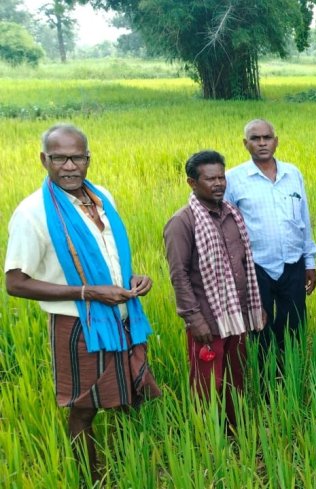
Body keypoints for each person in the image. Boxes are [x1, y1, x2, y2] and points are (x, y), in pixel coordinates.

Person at [4, 124, 161, 482]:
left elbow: (110, 257)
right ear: (44, 159)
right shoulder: (32, 214)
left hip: (120, 316)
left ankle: (126, 467)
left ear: (88, 158)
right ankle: (90, 478)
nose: (69, 166)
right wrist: (88, 292)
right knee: (84, 408)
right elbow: (15, 283)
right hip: (78, 325)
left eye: (76, 157)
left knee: (126, 398)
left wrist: (133, 280)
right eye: (59, 158)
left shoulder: (102, 197)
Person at [163, 150, 265, 427]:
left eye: (222, 177)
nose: (219, 184)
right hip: (207, 319)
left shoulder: (232, 214)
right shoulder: (182, 222)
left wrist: (256, 308)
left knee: (236, 377)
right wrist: (194, 319)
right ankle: (208, 439)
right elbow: (179, 275)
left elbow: (245, 265)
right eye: (210, 179)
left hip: (237, 314)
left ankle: (236, 431)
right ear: (192, 183)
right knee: (207, 383)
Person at [225, 119, 316, 372]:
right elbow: (226, 229)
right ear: (246, 144)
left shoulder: (292, 174)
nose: (262, 143)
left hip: (293, 264)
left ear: (276, 141)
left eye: (267, 137)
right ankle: (268, 385)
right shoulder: (233, 179)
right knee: (259, 329)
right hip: (256, 267)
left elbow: (304, 221)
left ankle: (291, 379)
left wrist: (309, 262)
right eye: (255, 138)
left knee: (293, 326)